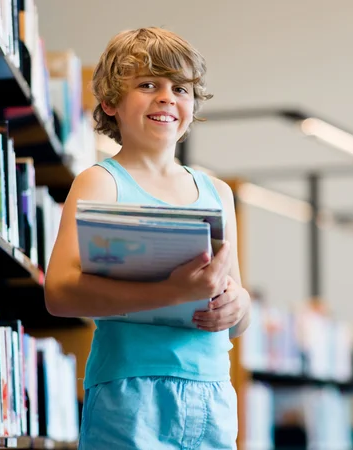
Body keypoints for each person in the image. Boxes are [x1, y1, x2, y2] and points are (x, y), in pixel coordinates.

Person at [44, 27, 251, 450]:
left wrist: (239, 305)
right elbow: (60, 294)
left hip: (211, 392)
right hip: (129, 391)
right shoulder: (99, 183)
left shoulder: (219, 194)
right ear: (110, 102)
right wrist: (171, 291)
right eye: (148, 84)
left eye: (180, 88)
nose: (166, 97)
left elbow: (235, 310)